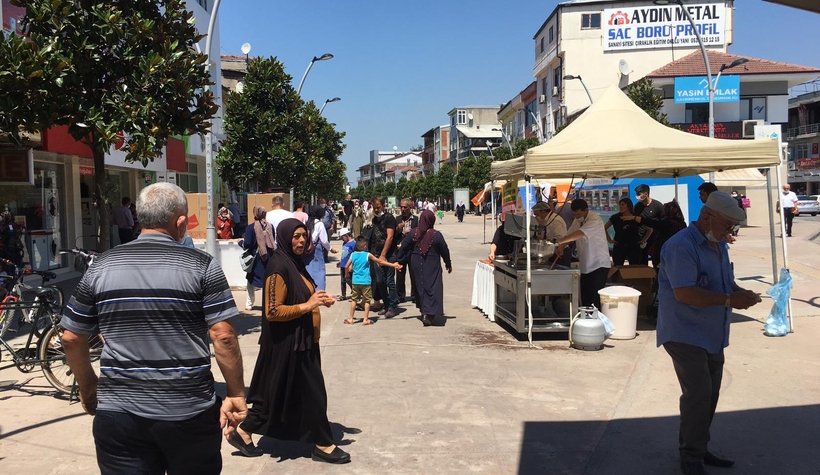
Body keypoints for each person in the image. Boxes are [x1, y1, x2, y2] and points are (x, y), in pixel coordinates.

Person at [60, 182, 247, 474]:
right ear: (180, 222)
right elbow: (223, 336)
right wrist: (236, 393)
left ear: (140, 218)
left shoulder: (101, 266)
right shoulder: (202, 266)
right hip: (189, 412)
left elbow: (71, 337)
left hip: (118, 416)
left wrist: (88, 386)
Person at [656, 191, 762, 475]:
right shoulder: (681, 246)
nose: (731, 232)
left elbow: (724, 283)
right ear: (706, 217)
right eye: (728, 226)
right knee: (699, 394)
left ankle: (698, 448)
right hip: (684, 332)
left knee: (710, 395)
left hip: (712, 333)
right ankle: (690, 457)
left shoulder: (718, 245)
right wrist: (729, 300)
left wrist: (741, 293)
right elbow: (685, 293)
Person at [232, 218, 349, 464]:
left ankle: (242, 432)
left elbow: (303, 295)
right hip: (288, 346)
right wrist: (308, 305)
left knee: (277, 396)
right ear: (285, 237)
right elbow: (273, 311)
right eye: (296, 236)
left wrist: (318, 298)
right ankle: (323, 444)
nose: (301, 240)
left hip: (302, 342)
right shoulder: (278, 267)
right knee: (313, 395)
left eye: (303, 236)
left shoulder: (295, 264)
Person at [395, 209, 452, 327]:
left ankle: (424, 312)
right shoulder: (436, 235)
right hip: (432, 264)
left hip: (416, 262)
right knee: (433, 286)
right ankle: (429, 313)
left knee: (420, 286)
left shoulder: (414, 233)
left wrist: (399, 260)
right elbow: (444, 250)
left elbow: (404, 246)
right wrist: (448, 263)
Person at [555, 199, 611, 309]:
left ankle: (596, 322)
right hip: (585, 265)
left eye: (579, 213)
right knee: (585, 297)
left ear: (586, 210)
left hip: (599, 264)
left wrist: (560, 242)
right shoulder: (577, 220)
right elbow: (569, 234)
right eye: (574, 214)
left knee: (595, 299)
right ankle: (585, 320)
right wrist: (561, 247)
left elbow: (579, 234)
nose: (576, 216)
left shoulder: (594, 219)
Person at [345, 236, 402, 325]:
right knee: (367, 301)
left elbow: (347, 266)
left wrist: (347, 274)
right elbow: (380, 262)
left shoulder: (353, 255)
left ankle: (351, 319)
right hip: (366, 282)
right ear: (364, 246)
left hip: (355, 282)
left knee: (354, 300)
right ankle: (365, 319)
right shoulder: (368, 255)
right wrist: (393, 265)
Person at [368, 196, 399, 318]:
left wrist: (383, 255)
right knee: (380, 281)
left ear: (383, 205)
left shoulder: (389, 218)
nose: (376, 210)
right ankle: (386, 305)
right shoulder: (375, 219)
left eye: (378, 207)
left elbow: (390, 237)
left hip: (389, 255)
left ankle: (392, 306)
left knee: (389, 281)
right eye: (374, 208)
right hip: (376, 255)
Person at [241, 206, 275, 311]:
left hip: (256, 259)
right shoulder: (270, 226)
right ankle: (268, 303)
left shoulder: (251, 227)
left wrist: (240, 243)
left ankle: (249, 304)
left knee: (251, 280)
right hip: (268, 258)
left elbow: (247, 244)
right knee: (268, 281)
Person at [630, 184, 665, 265]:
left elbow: (663, 222)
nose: (637, 196)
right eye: (636, 194)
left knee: (656, 262)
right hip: (641, 240)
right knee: (642, 261)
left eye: (639, 194)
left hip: (654, 240)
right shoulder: (638, 206)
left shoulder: (658, 206)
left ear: (646, 194)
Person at [304, 205, 336, 291]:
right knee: (318, 271)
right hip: (316, 249)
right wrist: (330, 249)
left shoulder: (306, 222)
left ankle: (308, 288)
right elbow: (324, 241)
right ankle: (319, 290)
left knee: (308, 269)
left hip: (306, 249)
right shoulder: (319, 224)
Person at [605, 197, 643, 267]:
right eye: (619, 205)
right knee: (617, 266)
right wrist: (609, 240)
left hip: (633, 246)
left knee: (634, 267)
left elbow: (649, 229)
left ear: (628, 206)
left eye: (623, 205)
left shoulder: (635, 217)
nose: (620, 206)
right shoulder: (615, 217)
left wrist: (643, 240)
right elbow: (604, 228)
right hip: (619, 245)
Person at [652, 200, 688, 269]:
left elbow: (653, 223)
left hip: (664, 253)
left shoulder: (666, 223)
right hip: (677, 253)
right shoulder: (682, 224)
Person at [395, 198, 418, 303]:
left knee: (414, 274)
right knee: (400, 275)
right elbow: (391, 235)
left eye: (405, 207)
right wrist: (397, 229)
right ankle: (400, 296)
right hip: (400, 251)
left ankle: (415, 295)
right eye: (401, 207)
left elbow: (420, 233)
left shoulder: (416, 219)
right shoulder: (397, 219)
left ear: (410, 207)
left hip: (412, 250)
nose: (403, 209)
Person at [337, 227, 355, 301]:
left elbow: (354, 255)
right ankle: (343, 295)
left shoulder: (353, 243)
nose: (342, 239)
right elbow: (344, 254)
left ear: (347, 235)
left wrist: (352, 265)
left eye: (342, 237)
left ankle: (355, 294)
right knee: (343, 281)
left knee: (349, 280)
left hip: (349, 265)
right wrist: (340, 262)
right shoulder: (344, 243)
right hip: (343, 265)